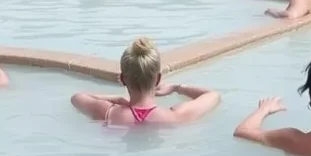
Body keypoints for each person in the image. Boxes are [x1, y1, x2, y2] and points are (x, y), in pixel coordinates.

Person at [70, 37, 221, 126]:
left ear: (122, 79)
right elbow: (213, 95)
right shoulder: (175, 116)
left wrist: (117, 99)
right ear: (158, 79)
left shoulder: (107, 113)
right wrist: (177, 88)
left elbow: (77, 96)